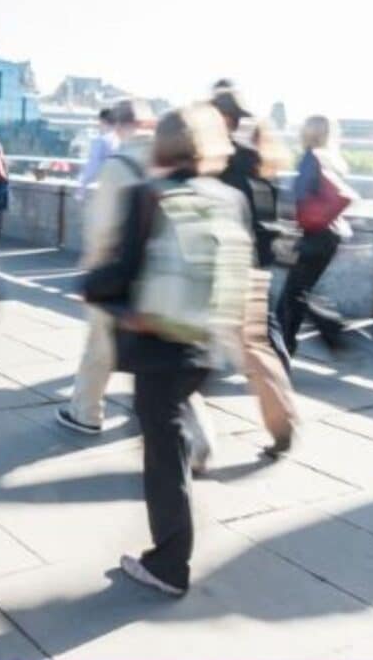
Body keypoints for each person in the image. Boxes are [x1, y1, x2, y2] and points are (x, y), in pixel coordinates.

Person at [84, 104, 250, 597]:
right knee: (171, 439)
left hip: (158, 345)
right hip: (204, 343)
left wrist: (94, 287)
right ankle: (172, 550)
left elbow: (121, 271)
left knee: (162, 456)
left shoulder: (149, 195)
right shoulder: (228, 198)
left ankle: (169, 564)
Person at [212, 90, 301, 457]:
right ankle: (283, 423)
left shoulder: (223, 163)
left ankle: (190, 443)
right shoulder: (259, 159)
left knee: (192, 349)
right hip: (256, 262)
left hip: (226, 263)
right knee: (258, 345)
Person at [56, 99, 152, 435]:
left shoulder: (120, 165)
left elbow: (102, 228)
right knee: (163, 356)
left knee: (100, 343)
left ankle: (85, 411)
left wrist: (92, 270)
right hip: (160, 274)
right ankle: (195, 437)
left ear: (120, 125)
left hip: (119, 268)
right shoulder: (167, 160)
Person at [278, 115, 359, 357]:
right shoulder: (331, 159)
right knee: (298, 293)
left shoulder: (310, 159)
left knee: (291, 296)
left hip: (314, 236)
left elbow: (300, 199)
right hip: (329, 236)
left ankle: (288, 348)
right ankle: (331, 334)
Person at [74, 107, 118, 200]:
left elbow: (92, 166)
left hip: (99, 189)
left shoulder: (100, 141)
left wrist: (81, 186)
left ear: (102, 121)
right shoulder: (118, 140)